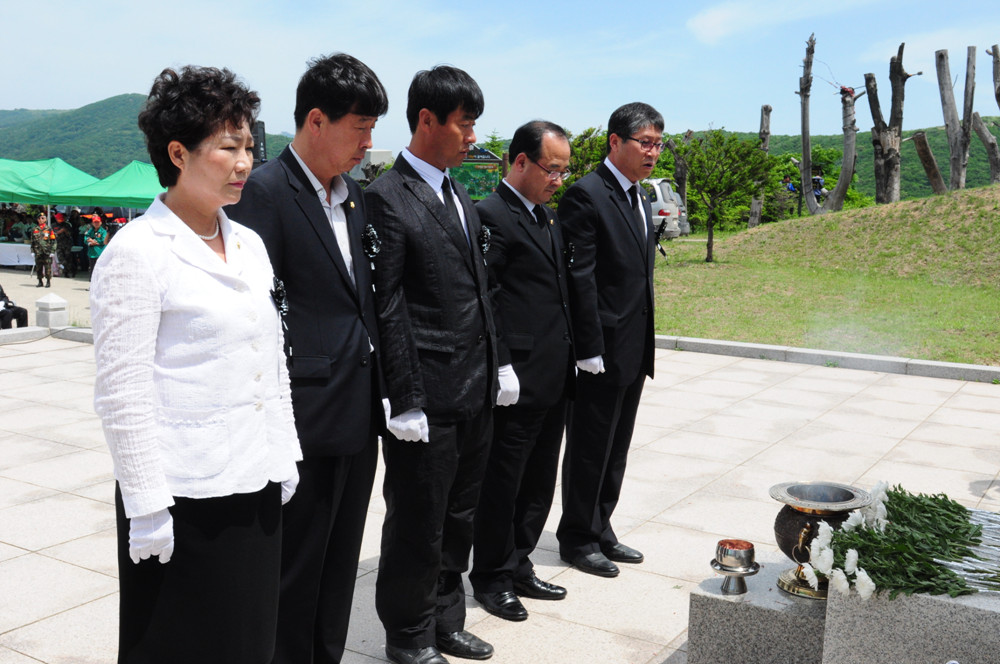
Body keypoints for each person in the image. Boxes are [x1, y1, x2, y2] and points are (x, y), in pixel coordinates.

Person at [90, 65, 301, 663]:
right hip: (184, 492)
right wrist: (147, 503)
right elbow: (122, 392)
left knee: (248, 640)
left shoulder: (250, 244)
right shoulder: (137, 252)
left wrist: (282, 451)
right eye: (228, 147)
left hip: (254, 480)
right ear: (178, 153)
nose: (244, 163)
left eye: (250, 148)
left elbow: (272, 357)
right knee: (182, 644)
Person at [225, 52, 388, 664]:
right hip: (301, 415)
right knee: (295, 570)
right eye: (360, 129)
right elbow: (257, 310)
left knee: (340, 566)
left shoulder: (353, 197)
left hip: (357, 408)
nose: (369, 144)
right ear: (315, 120)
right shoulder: (263, 193)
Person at [365, 65, 506, 664]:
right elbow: (388, 305)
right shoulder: (387, 199)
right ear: (427, 120)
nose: (471, 136)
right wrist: (404, 397)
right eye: (464, 124)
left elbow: (481, 290)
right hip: (427, 392)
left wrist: (499, 364)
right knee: (418, 522)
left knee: (460, 517)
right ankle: (407, 634)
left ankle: (446, 618)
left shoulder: (458, 194)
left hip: (474, 386)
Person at [470, 121, 575, 622]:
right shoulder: (491, 216)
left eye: (564, 171)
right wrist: (502, 365)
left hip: (553, 374)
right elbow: (487, 298)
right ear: (520, 162)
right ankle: (491, 575)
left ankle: (520, 561)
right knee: (503, 482)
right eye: (551, 169)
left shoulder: (547, 218)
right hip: (517, 376)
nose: (558, 179)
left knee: (538, 479)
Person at [556, 102, 662, 578]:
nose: (653, 152)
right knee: (589, 446)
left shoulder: (638, 195)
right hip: (600, 348)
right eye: (645, 142)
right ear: (615, 142)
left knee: (617, 445)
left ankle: (601, 526)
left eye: (659, 144)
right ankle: (577, 536)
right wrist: (588, 348)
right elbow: (580, 277)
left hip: (634, 344)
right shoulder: (586, 194)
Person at [30, 213, 56, 287]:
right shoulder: (34, 229)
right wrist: (32, 251)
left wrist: (52, 251)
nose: (41, 220)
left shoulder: (49, 229)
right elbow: (32, 241)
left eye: (42, 218)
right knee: (38, 267)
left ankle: (48, 281)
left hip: (46, 251)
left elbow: (53, 241)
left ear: (45, 219)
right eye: (39, 218)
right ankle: (40, 281)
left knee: (47, 267)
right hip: (38, 251)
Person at [53, 212, 75, 278]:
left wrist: (65, 231)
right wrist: (59, 232)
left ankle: (67, 272)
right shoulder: (53, 225)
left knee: (68, 258)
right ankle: (66, 269)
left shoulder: (67, 225)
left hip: (67, 244)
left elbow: (70, 234)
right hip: (58, 244)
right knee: (61, 259)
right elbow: (52, 235)